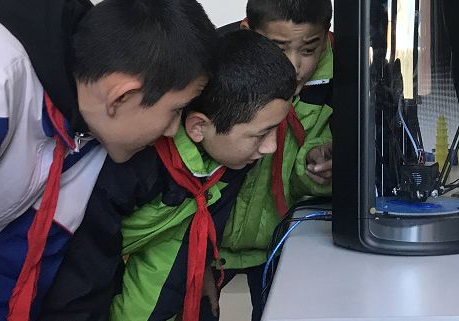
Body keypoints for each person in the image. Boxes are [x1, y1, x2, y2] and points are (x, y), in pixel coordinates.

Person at [0, 0, 217, 321]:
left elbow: (7, 269)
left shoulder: (86, 129)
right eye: (175, 110)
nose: (172, 130)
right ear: (122, 96)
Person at [38, 29, 297, 321]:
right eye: (261, 134)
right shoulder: (132, 164)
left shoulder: (232, 155)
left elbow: (179, 253)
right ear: (198, 128)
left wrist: (201, 273)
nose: (272, 146)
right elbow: (83, 269)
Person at [217, 0, 334, 321]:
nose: (294, 65)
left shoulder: (345, 82)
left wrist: (319, 167)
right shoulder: (215, 67)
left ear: (326, 36)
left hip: (282, 242)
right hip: (206, 239)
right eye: (278, 48)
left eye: (309, 49)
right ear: (247, 31)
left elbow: (311, 177)